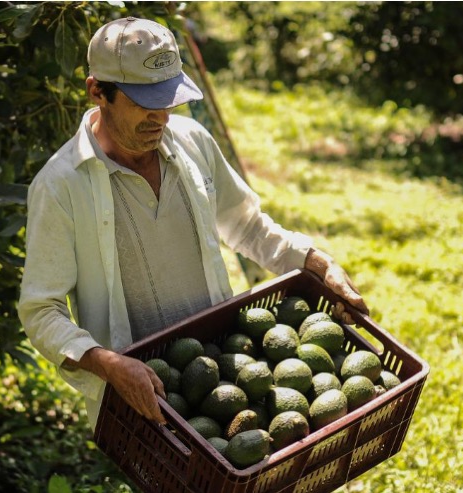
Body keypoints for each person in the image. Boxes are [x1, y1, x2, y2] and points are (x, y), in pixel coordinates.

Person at [18, 17, 368, 429]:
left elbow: (248, 226)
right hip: (144, 395)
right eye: (145, 104)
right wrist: (108, 365)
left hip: (219, 372)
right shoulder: (60, 186)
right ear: (98, 91)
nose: (160, 119)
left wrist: (315, 261)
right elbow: (42, 310)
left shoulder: (192, 141)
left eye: (167, 101)